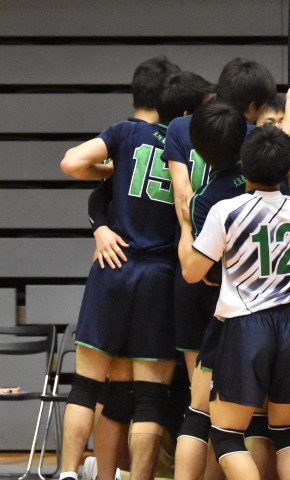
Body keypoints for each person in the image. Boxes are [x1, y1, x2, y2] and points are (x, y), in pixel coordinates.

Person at [59, 63, 196, 480]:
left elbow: (71, 163)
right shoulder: (186, 145)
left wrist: (108, 169)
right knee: (150, 398)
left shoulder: (123, 134)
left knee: (87, 386)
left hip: (113, 267)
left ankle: (67, 473)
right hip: (160, 277)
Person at [177, 125, 290, 480]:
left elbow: (192, 272)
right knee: (287, 432)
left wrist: (184, 227)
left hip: (246, 324)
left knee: (226, 435)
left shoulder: (226, 210)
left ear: (244, 162)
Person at [167, 58, 279, 480]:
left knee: (199, 407)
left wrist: (186, 227)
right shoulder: (264, 148)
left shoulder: (182, 132)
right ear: (252, 107)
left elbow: (184, 199)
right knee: (251, 416)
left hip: (203, 283)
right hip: (257, 296)